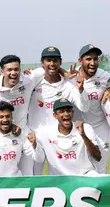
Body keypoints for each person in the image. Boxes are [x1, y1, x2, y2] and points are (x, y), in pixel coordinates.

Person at [28, 46, 88, 174]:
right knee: (34, 176)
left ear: (60, 62)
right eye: (48, 60)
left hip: (56, 138)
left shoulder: (68, 86)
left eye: (55, 60)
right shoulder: (34, 82)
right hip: (36, 136)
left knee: (58, 175)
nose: (52, 64)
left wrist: (81, 90)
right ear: (42, 63)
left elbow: (84, 107)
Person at [0, 55, 45, 175]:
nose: (13, 73)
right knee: (1, 172)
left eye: (16, 69)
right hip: (1, 137)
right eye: (9, 70)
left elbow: (50, 66)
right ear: (2, 71)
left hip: (23, 133)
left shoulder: (28, 79)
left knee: (27, 174)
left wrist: (67, 73)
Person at [73, 44, 110, 174]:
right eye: (88, 59)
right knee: (79, 170)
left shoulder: (104, 76)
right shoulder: (70, 77)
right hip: (79, 131)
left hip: (100, 130)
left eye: (95, 59)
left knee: (101, 170)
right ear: (80, 61)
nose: (92, 63)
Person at [33, 98, 101, 175]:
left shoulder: (86, 128)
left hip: (84, 175)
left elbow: (97, 157)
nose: (66, 114)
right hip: (59, 179)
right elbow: (39, 160)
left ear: (73, 112)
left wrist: (83, 135)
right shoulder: (44, 133)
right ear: (55, 115)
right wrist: (35, 145)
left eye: (68, 110)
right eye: (61, 111)